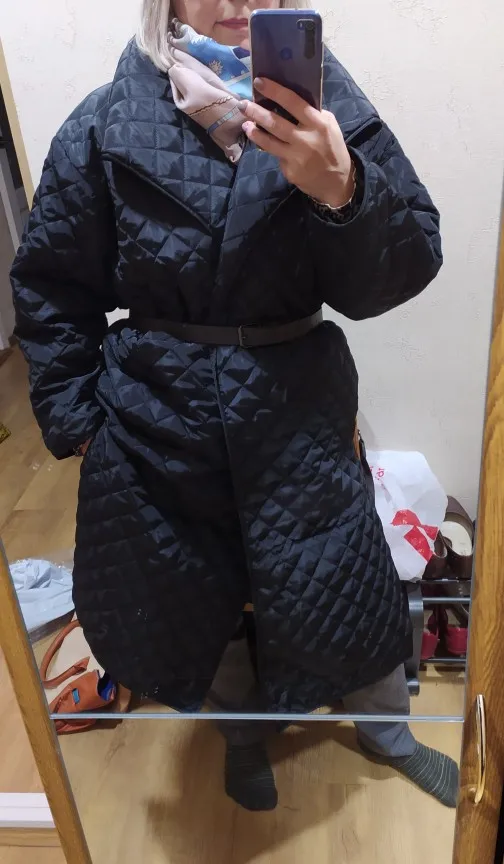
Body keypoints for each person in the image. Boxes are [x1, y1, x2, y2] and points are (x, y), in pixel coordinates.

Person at [11, 0, 458, 812]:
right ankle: (243, 735)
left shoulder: (330, 105)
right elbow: (51, 287)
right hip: (161, 414)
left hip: (298, 405)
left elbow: (408, 261)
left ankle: (389, 733)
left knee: (349, 577)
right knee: (201, 597)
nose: (233, 3)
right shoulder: (107, 121)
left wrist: (343, 189)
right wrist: (81, 426)